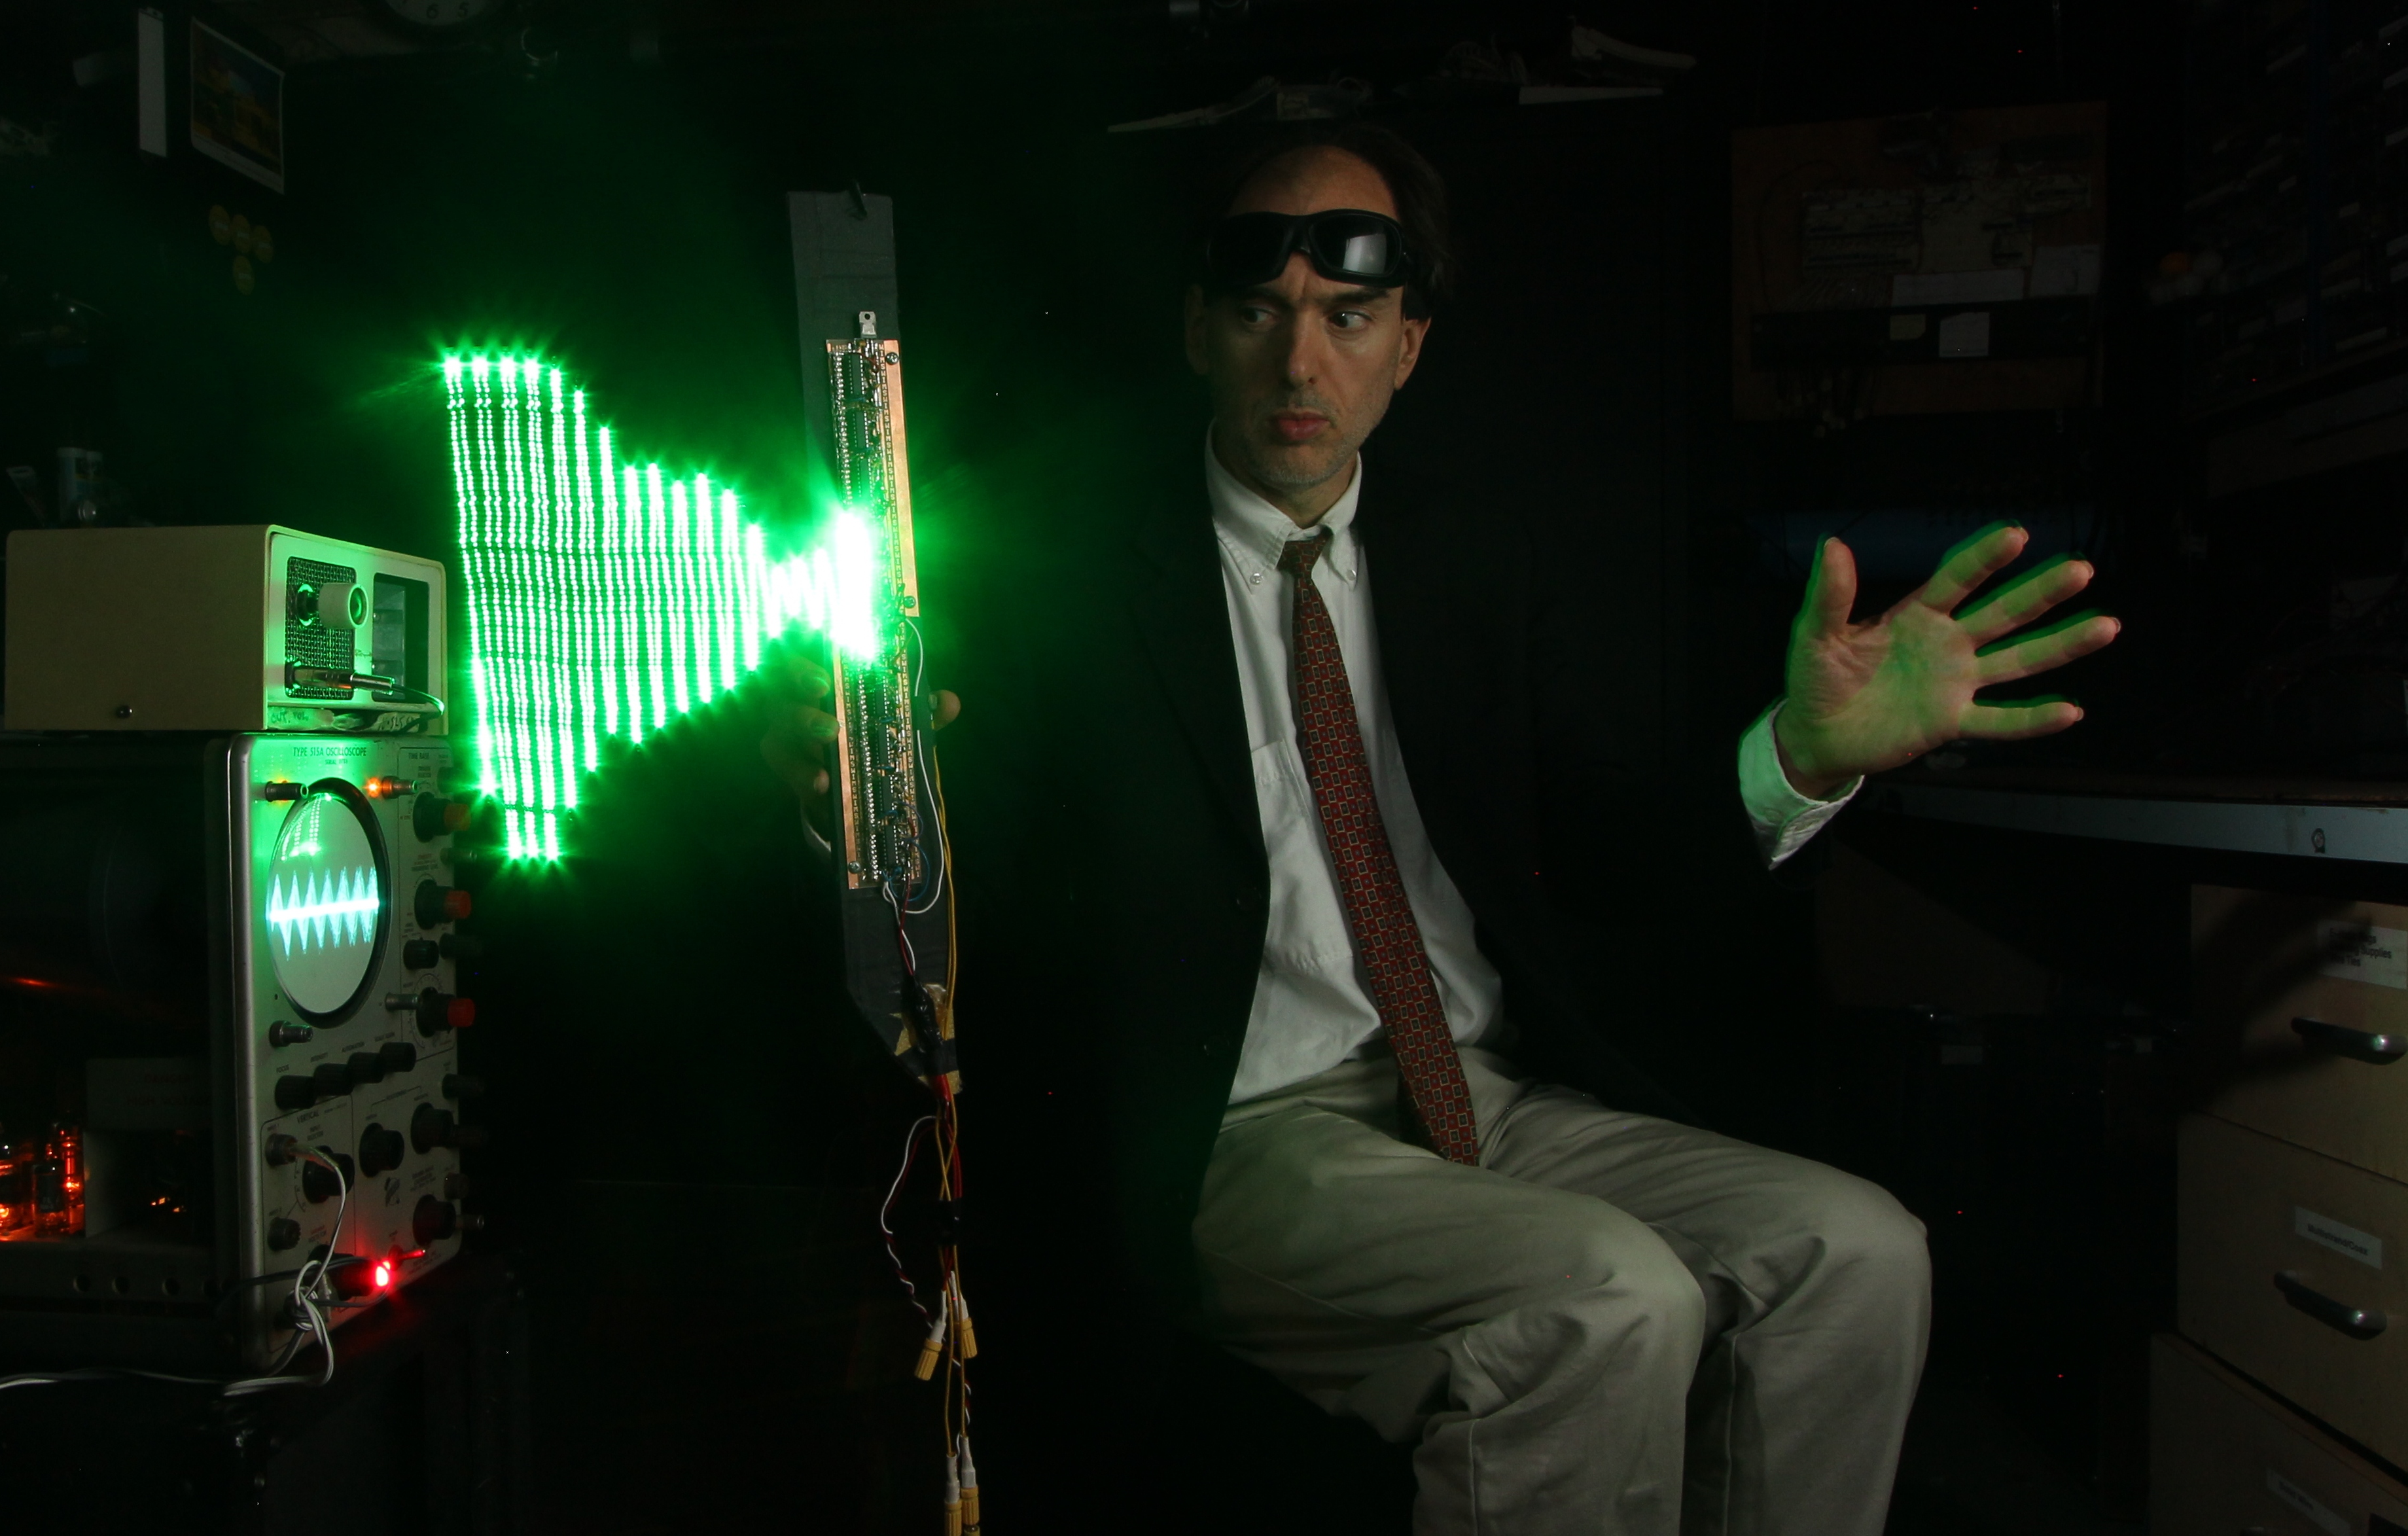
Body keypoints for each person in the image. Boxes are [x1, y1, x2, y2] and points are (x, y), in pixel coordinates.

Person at [766, 123, 2116, 1535]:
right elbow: (969, 861)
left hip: (1480, 1094)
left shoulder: (1471, 556)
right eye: (1259, 314)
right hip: (1235, 1125)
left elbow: (1603, 848)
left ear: (1406, 345)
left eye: (1347, 318)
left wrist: (1801, 753)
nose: (1300, 365)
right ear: (1197, 330)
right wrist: (841, 802)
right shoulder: (1059, 567)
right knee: (1607, 1301)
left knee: (1856, 1252)